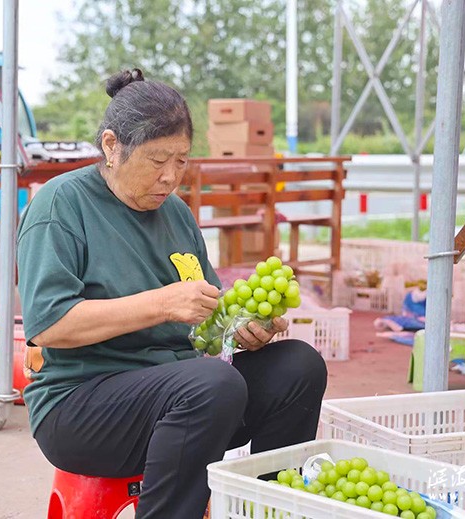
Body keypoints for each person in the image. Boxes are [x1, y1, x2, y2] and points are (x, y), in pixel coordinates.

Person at [17, 68, 327, 518]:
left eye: (181, 161)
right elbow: (48, 324)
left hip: (182, 396)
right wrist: (162, 304)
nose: (169, 177)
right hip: (81, 404)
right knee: (211, 384)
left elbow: (206, 323)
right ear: (111, 147)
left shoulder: (177, 214)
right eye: (156, 160)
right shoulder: (62, 204)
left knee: (298, 367)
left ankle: (266, 508)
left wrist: (242, 329)